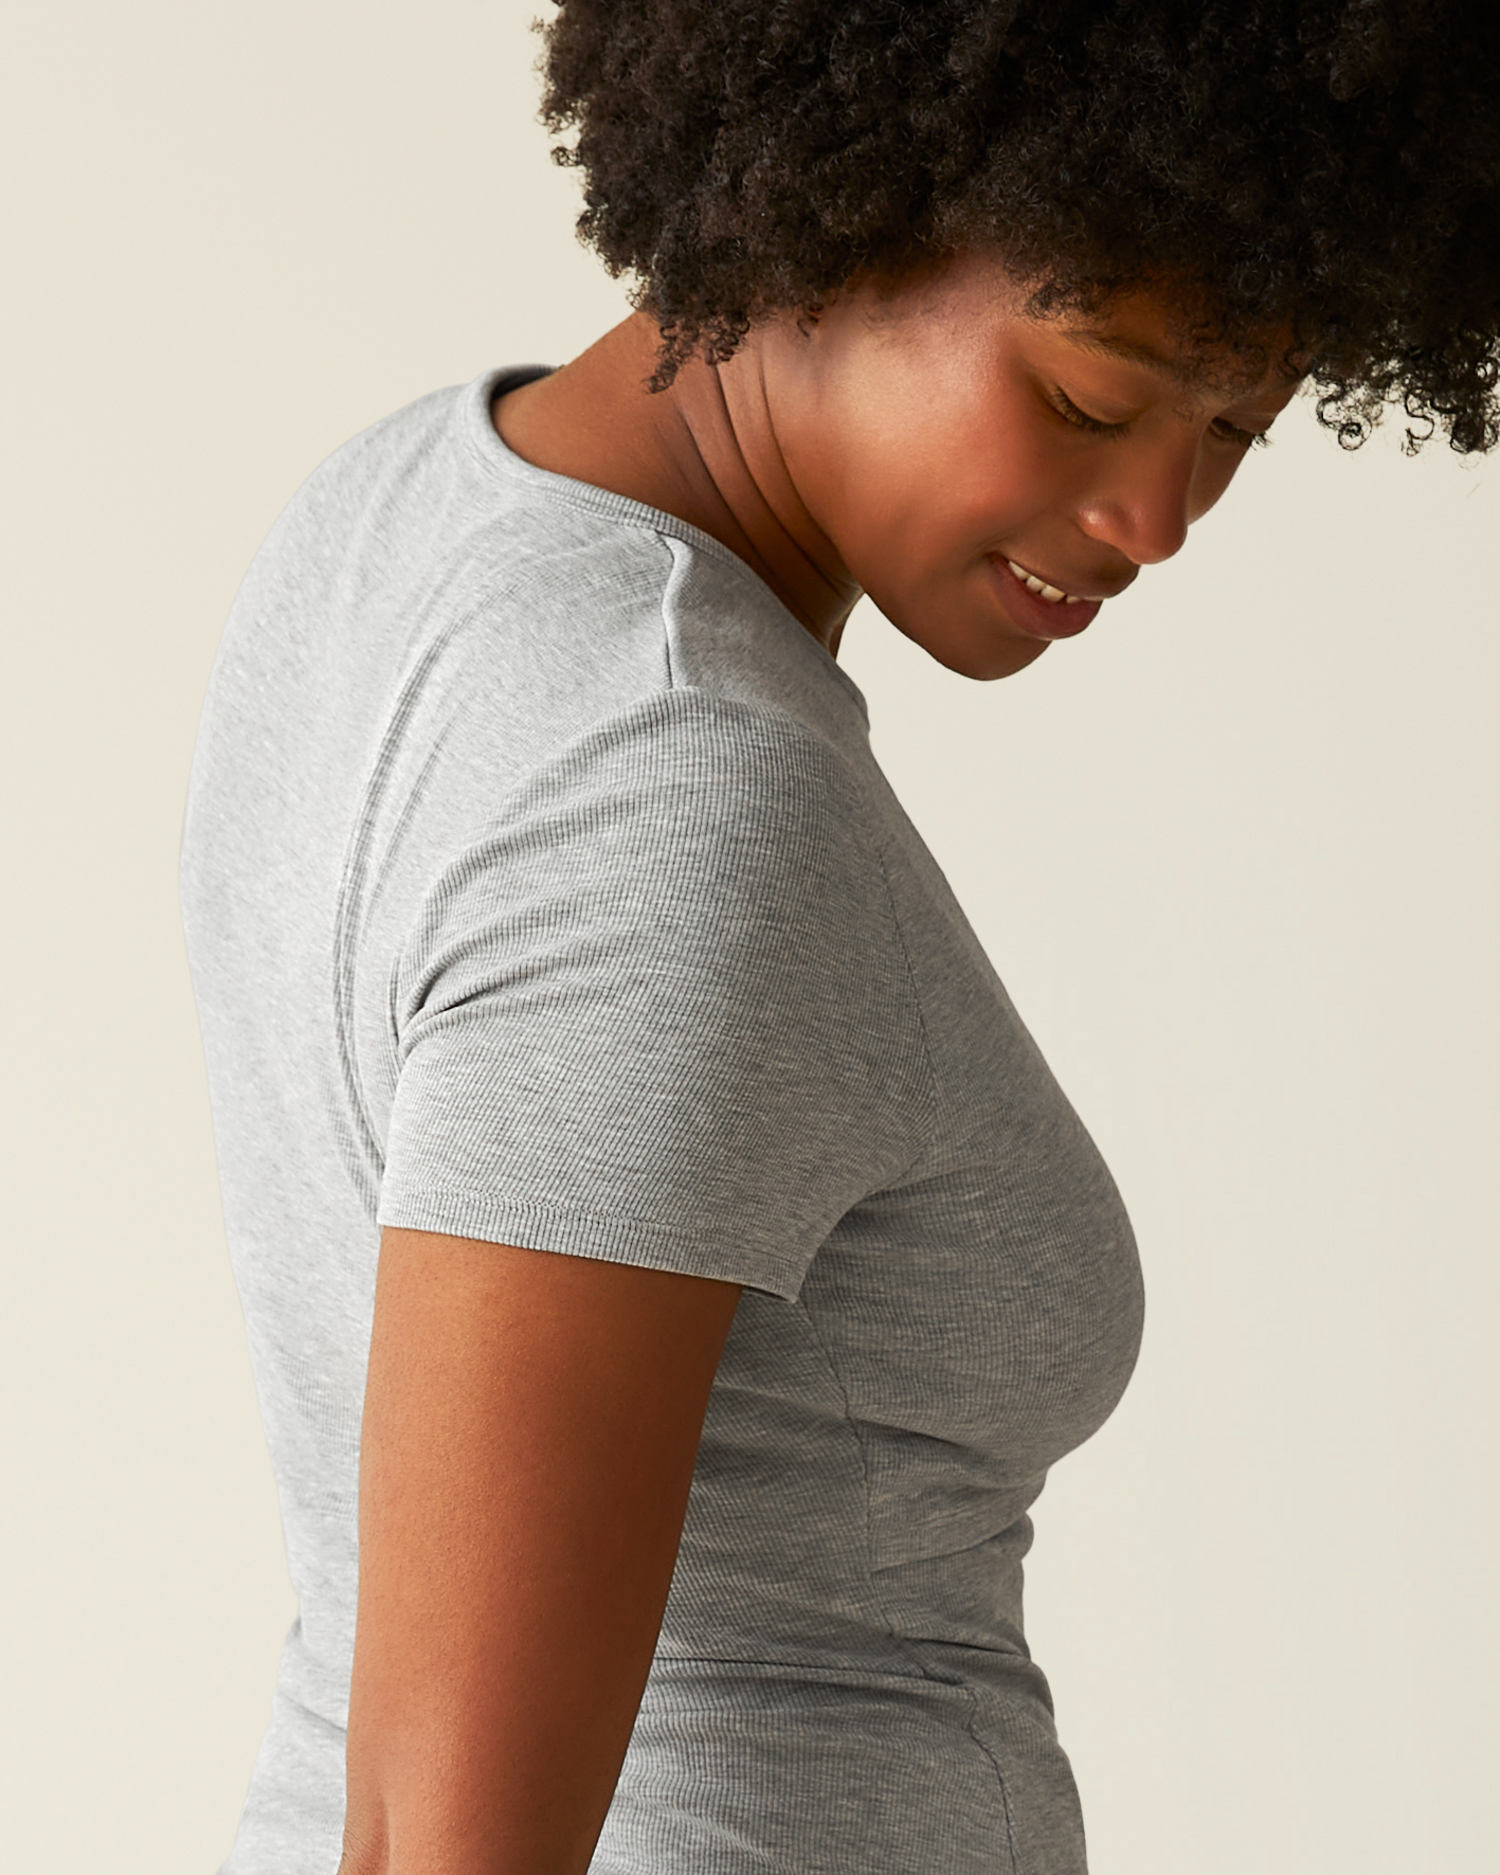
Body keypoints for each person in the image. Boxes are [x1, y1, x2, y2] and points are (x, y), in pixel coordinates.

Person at [179, 4, 1500, 1871]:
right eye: (1089, 396)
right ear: (829, 211)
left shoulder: (406, 509)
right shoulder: (670, 791)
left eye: (1232, 432)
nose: (1158, 519)